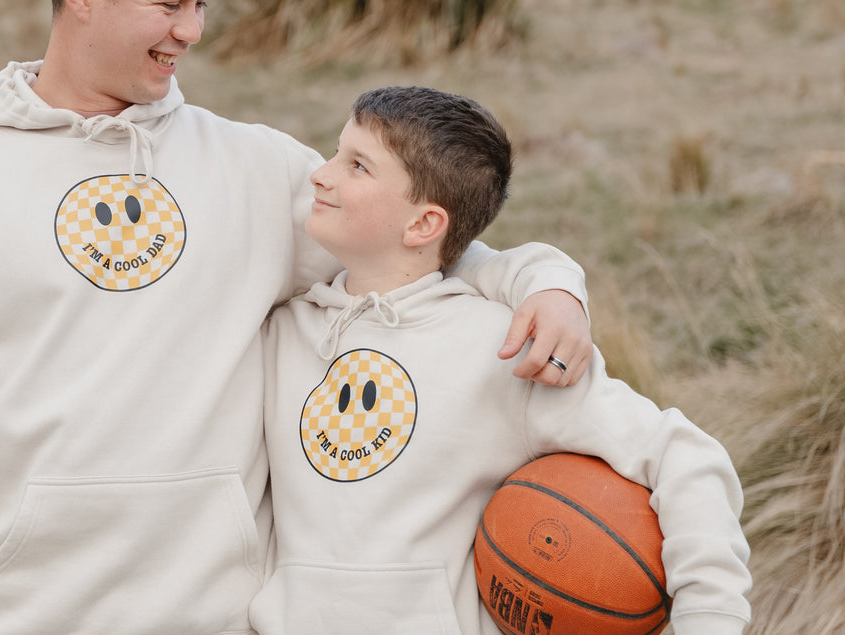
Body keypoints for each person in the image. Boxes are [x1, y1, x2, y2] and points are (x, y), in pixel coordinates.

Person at [0, 0, 595, 635]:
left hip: (216, 615)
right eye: (170, 2)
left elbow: (419, 248)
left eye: (202, 2)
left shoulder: (254, 168)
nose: (191, 30)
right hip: (9, 614)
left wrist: (548, 282)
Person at [252, 86, 751, 635]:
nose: (320, 174)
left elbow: (683, 456)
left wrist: (711, 619)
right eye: (335, 152)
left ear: (423, 225)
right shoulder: (279, 332)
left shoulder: (505, 348)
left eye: (357, 166)